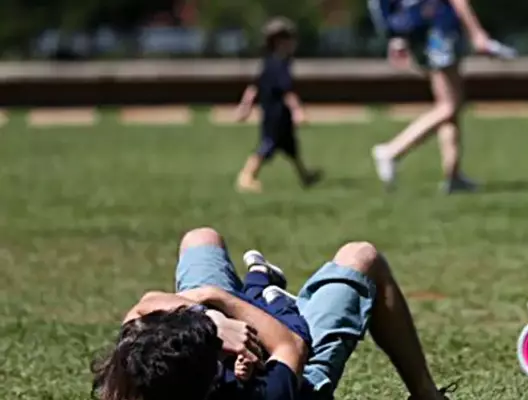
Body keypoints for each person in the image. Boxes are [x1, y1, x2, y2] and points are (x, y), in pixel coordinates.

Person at [91, 227, 452, 400]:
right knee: (362, 257)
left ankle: (261, 287)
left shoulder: (133, 380)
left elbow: (144, 305)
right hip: (295, 367)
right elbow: (289, 344)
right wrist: (217, 301)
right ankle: (426, 395)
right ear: (211, 374)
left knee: (201, 239)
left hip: (229, 343)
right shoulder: (262, 397)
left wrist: (213, 322)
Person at [367, 0, 506, 193]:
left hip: (420, 31)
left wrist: (394, 38)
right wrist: (477, 33)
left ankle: (454, 176)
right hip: (439, 28)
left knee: (449, 105)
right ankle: (392, 151)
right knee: (449, 106)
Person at [235, 17, 321, 193]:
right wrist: (298, 111)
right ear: (279, 42)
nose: (293, 43)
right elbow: (287, 91)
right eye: (290, 39)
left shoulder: (269, 62)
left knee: (291, 147)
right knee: (267, 146)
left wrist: (245, 107)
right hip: (276, 114)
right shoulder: (279, 64)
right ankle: (246, 176)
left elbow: (253, 87)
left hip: (277, 114)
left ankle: (305, 176)